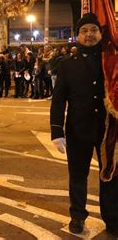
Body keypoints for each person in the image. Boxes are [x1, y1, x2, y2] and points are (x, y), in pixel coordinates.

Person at [50, 13, 118, 235]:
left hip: (108, 131)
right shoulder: (67, 65)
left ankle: (113, 218)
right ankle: (77, 216)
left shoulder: (112, 63)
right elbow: (59, 100)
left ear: (100, 33)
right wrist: (56, 131)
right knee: (78, 176)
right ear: (77, 35)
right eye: (84, 31)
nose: (89, 34)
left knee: (109, 175)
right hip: (78, 129)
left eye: (93, 30)